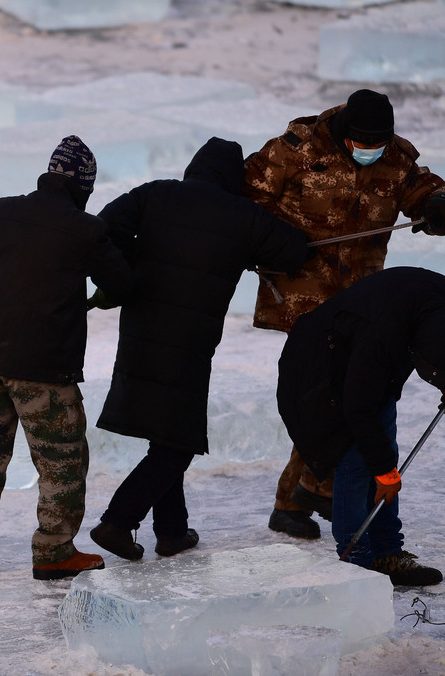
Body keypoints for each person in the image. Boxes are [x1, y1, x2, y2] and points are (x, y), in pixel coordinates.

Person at [86, 137, 309, 561]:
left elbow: (103, 228)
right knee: (178, 442)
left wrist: (135, 266)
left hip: (140, 328)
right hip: (190, 340)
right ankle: (117, 522)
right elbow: (294, 252)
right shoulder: (244, 216)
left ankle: (171, 532)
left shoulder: (155, 193)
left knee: (168, 433)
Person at [244, 89, 445, 539]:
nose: (373, 151)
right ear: (346, 133)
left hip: (362, 296)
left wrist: (436, 205)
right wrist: (271, 242)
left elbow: (422, 191)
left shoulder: (395, 157)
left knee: (334, 393)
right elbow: (246, 202)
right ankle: (309, 493)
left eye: (380, 142)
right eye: (364, 142)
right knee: (330, 390)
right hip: (303, 291)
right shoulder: (295, 149)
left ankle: (304, 495)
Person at [0, 135, 133, 581]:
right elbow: (125, 284)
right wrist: (101, 295)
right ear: (84, 186)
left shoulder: (2, 210)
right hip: (44, 369)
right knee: (61, 461)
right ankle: (54, 552)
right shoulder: (85, 230)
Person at [277, 266, 445, 586]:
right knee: (358, 463)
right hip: (320, 370)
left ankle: (386, 554)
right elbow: (359, 408)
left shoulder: (428, 317)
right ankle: (354, 560)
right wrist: (385, 472)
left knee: (385, 452)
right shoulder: (385, 336)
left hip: (362, 362)